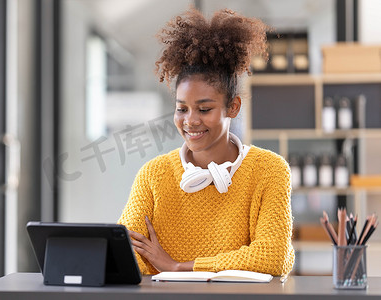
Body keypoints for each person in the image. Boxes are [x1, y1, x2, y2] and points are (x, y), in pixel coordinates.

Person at [118, 7, 295, 276]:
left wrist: (178, 267)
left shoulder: (269, 169)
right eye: (182, 109)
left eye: (204, 109)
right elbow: (125, 254)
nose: (190, 121)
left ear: (232, 107)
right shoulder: (154, 174)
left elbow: (274, 256)